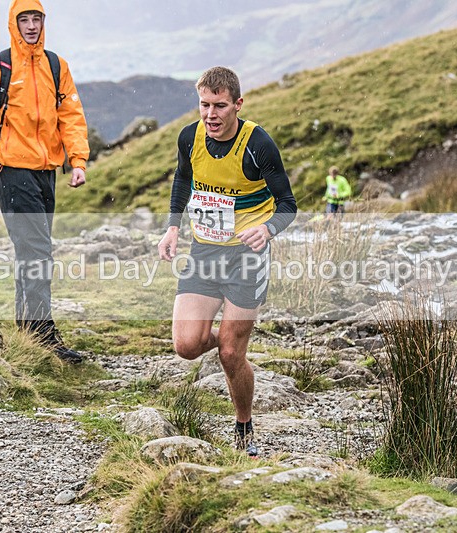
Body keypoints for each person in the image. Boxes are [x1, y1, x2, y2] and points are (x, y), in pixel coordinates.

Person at [158, 66, 297, 457]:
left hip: (246, 259)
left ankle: (243, 425)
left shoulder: (259, 145)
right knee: (186, 346)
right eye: (204, 105)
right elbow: (183, 180)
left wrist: (268, 229)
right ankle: (231, 337)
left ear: (238, 104)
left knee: (232, 354)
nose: (211, 115)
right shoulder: (190, 137)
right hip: (204, 253)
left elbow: (288, 205)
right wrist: (173, 228)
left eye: (220, 106)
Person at [0, 0, 89, 364]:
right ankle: (42, 333)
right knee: (37, 252)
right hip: (12, 172)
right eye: (25, 19)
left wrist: (77, 159)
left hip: (46, 172)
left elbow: (71, 116)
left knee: (32, 251)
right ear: (13, 23)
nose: (31, 26)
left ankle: (27, 331)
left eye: (37, 18)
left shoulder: (56, 65)